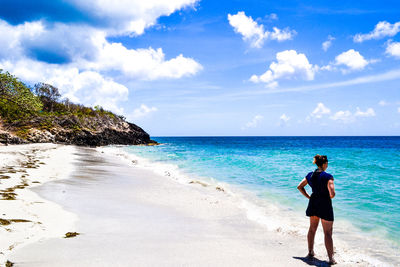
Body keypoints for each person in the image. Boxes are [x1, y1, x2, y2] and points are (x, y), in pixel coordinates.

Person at [297, 155, 336, 265]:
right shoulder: (328, 176)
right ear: (324, 164)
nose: (327, 165)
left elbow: (300, 186)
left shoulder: (310, 175)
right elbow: (332, 194)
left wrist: (309, 196)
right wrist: (328, 195)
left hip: (313, 202)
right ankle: (331, 258)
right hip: (325, 204)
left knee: (312, 229)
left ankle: (310, 252)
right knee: (327, 233)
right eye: (327, 163)